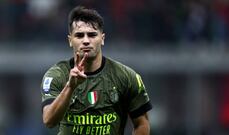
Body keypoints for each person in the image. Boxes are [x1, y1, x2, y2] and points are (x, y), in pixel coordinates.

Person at [41, 5, 152, 135]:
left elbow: (142, 123)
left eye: (92, 35)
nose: (86, 41)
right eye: (79, 35)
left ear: (102, 39)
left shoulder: (126, 76)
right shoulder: (56, 75)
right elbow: (49, 120)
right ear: (70, 40)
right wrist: (70, 87)